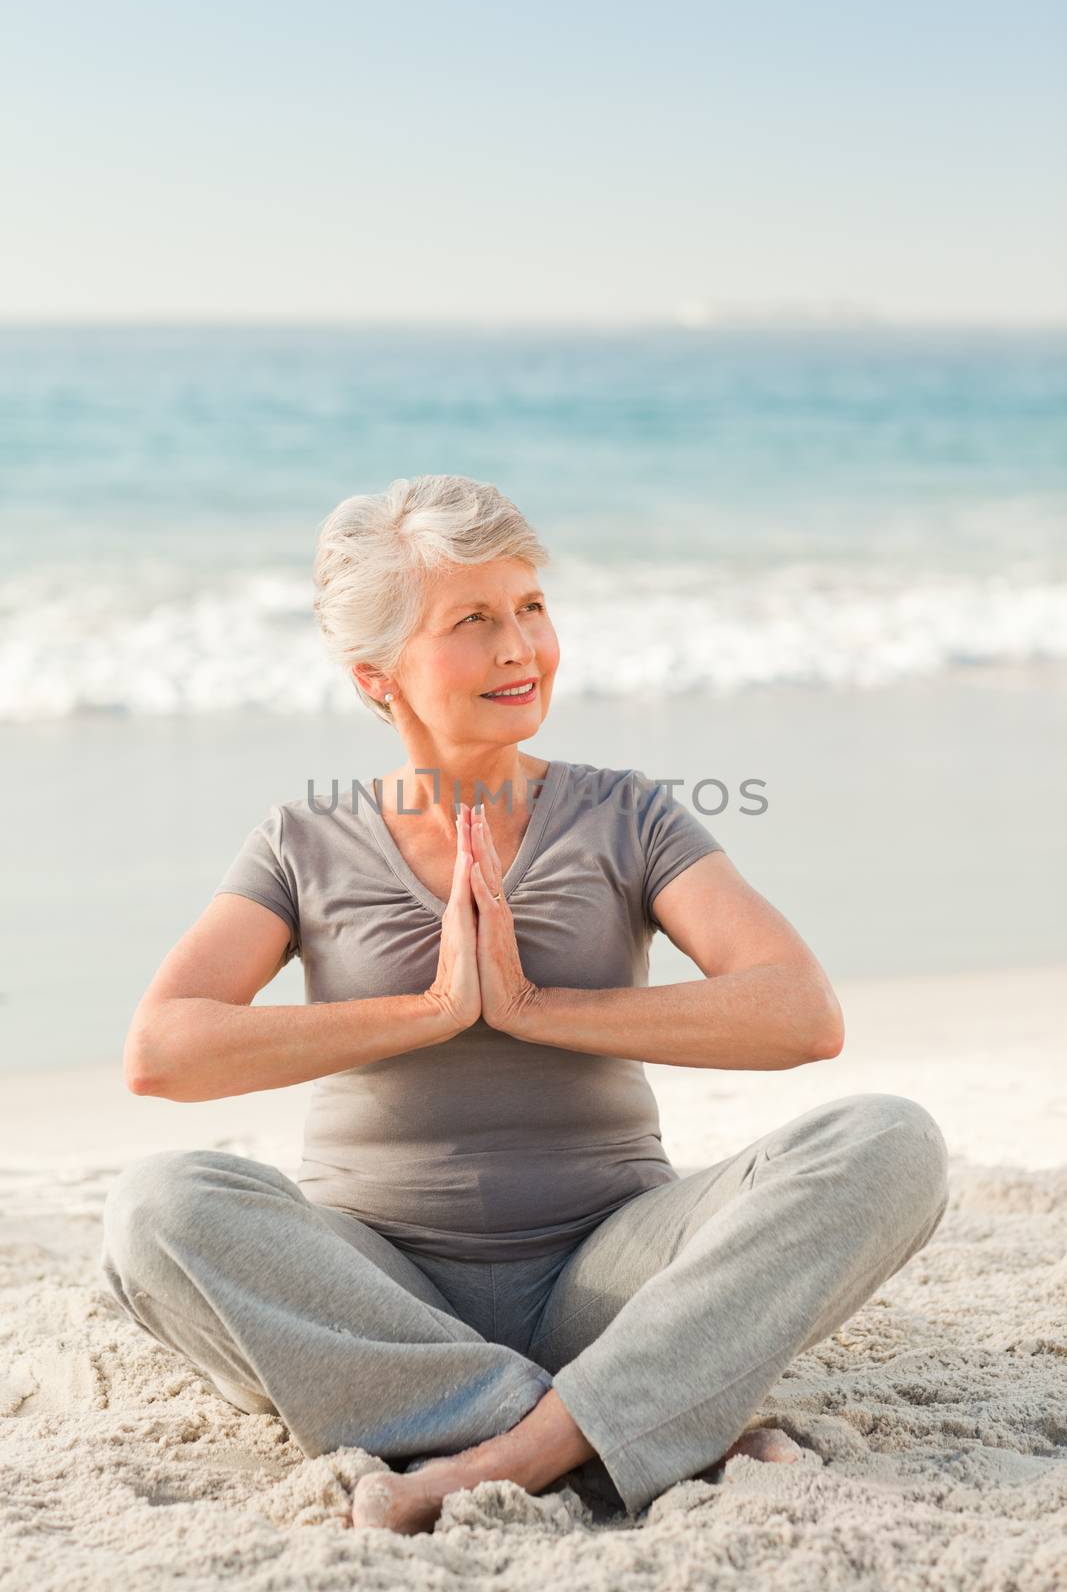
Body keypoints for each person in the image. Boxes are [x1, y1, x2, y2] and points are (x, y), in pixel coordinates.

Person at [99, 474, 950, 1535]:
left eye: (530, 608)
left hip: (615, 1277)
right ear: (378, 677)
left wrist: (536, 1004)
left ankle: (506, 1446)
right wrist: (433, 1008)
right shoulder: (302, 839)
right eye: (473, 621)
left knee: (888, 1141)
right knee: (157, 1209)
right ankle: (618, 1422)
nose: (520, 647)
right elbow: (163, 1050)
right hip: (378, 1292)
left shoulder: (625, 814)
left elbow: (797, 1012)